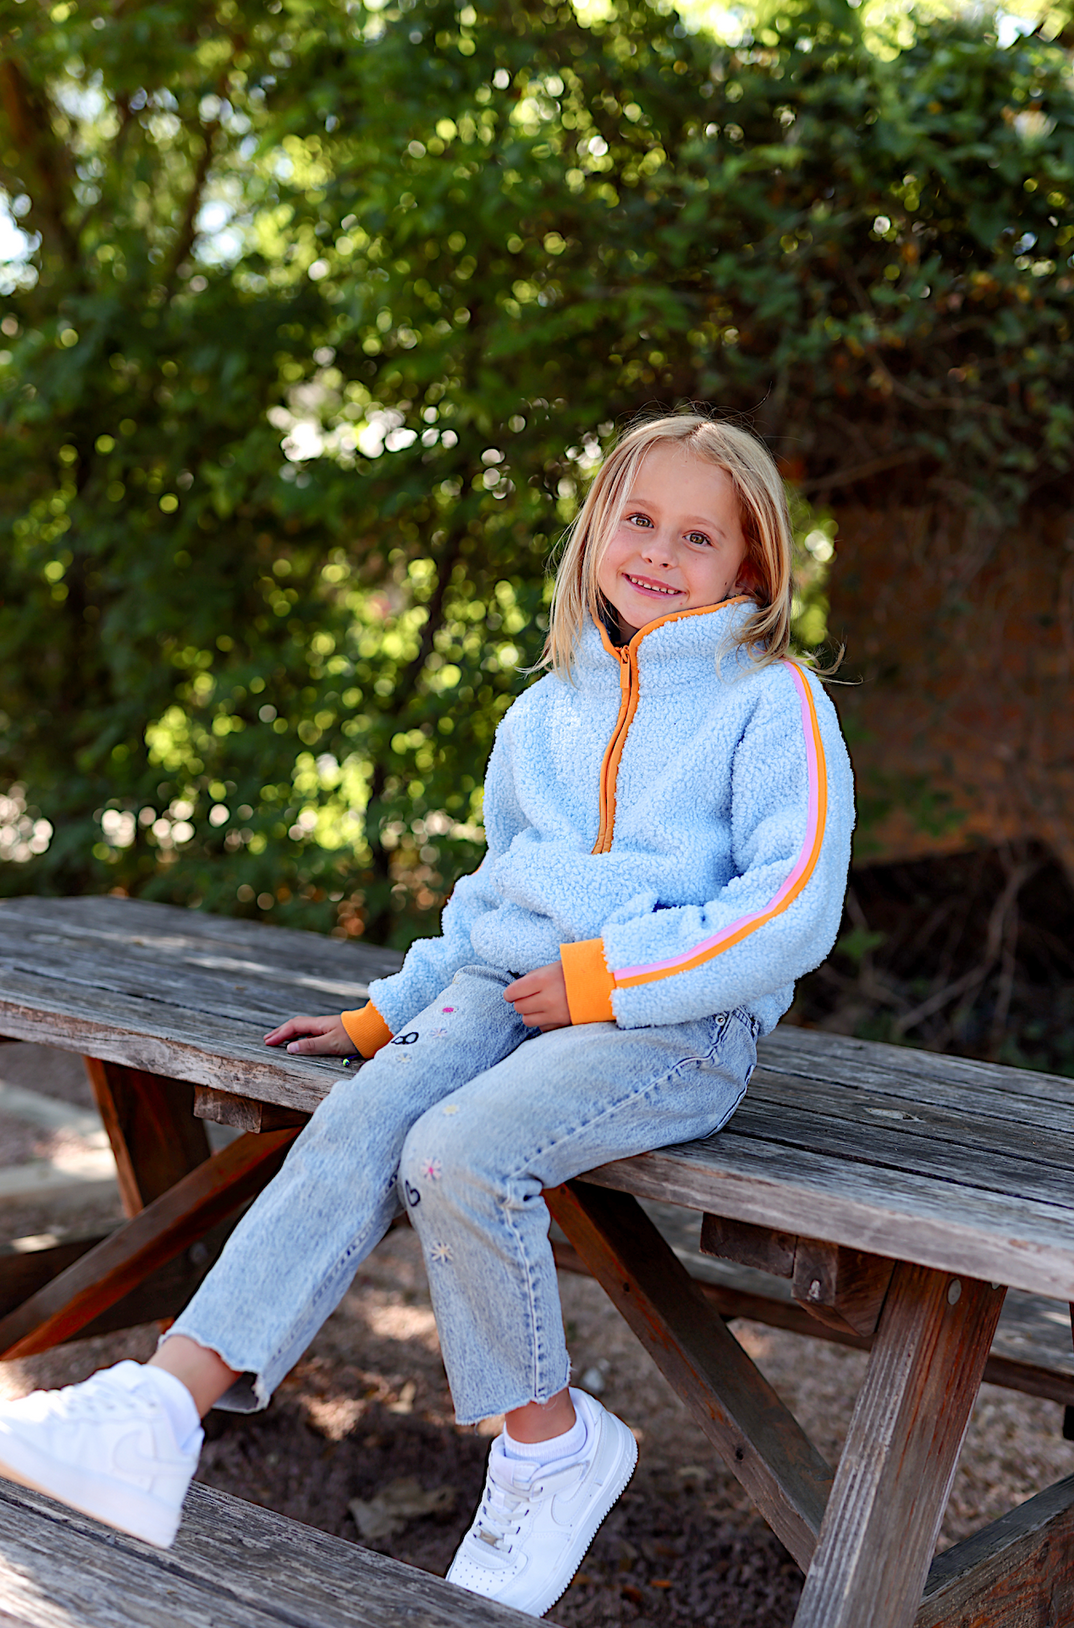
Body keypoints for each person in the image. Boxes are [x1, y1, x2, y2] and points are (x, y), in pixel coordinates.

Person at [0, 411, 854, 1617]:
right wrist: (379, 1016)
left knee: (457, 1153)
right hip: (494, 996)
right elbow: (488, 897)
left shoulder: (775, 706)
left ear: (750, 568)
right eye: (640, 518)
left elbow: (787, 907)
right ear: (600, 528)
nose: (660, 551)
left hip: (668, 1024)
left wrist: (605, 980)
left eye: (699, 535)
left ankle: (550, 1444)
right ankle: (157, 1411)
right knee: (364, 1115)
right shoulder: (544, 708)